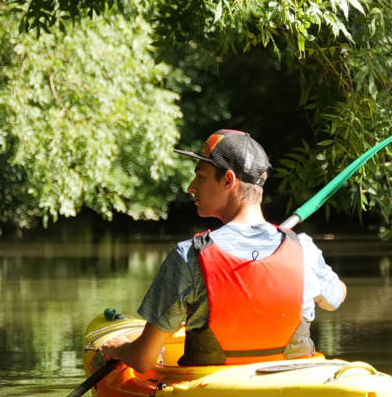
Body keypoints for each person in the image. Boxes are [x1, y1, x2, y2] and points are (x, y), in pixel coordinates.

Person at [105, 129, 346, 373]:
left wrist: (115, 348)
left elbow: (143, 360)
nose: (191, 187)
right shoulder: (303, 249)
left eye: (200, 177)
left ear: (228, 180)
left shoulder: (189, 255)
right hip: (296, 381)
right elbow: (336, 297)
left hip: (211, 388)